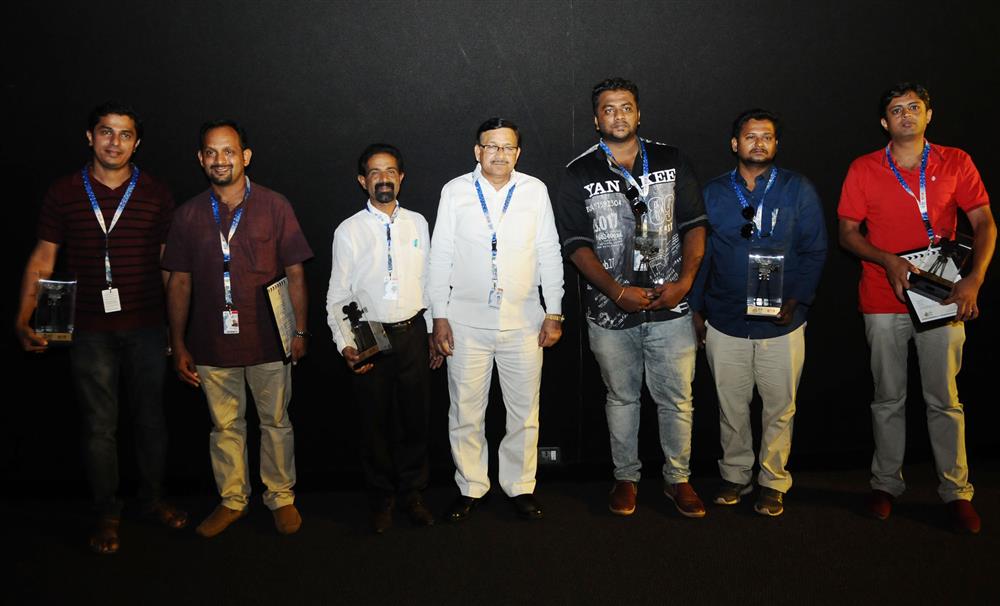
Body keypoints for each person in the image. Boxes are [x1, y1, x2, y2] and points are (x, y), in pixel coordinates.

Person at [14, 101, 187, 555]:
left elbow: (171, 267)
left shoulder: (155, 191)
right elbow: (43, 256)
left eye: (125, 134)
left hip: (148, 326)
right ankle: (107, 511)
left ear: (137, 142)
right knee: (98, 426)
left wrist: (177, 330)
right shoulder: (64, 191)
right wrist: (22, 316)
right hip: (88, 329)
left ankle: (152, 499)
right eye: (106, 132)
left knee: (151, 421)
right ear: (89, 137)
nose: (115, 142)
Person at [838, 82, 996, 534]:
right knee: (887, 397)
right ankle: (886, 484)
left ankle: (956, 491)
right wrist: (886, 259)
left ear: (929, 115)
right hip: (881, 298)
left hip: (942, 296)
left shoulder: (956, 161)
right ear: (884, 122)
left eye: (914, 107)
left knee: (944, 399)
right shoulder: (864, 168)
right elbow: (847, 232)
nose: (906, 114)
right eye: (895, 109)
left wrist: (974, 280)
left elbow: (984, 222)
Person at [555, 77, 708, 518]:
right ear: (595, 118)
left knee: (677, 398)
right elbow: (576, 245)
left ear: (638, 114)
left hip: (671, 306)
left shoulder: (671, 159)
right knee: (621, 398)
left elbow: (696, 224)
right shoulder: (578, 172)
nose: (618, 115)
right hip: (609, 311)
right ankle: (626, 478)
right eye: (608, 108)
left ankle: (678, 479)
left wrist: (684, 284)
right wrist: (617, 291)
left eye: (626, 107)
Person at [164, 119, 313, 538]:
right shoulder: (189, 214)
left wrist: (299, 332)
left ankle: (280, 496)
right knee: (225, 428)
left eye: (228, 151)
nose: (220, 160)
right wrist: (177, 342)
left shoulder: (274, 205)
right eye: (211, 152)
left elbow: (296, 272)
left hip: (269, 340)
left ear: (245, 157)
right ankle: (233, 500)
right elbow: (179, 281)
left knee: (276, 423)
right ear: (200, 159)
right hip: (211, 345)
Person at [689, 109, 827, 517]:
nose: (759, 143)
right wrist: (696, 309)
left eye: (767, 137)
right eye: (750, 137)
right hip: (726, 320)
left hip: (783, 324)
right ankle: (735, 475)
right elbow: (701, 255)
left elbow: (815, 249)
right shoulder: (714, 192)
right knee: (731, 407)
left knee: (780, 408)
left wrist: (798, 299)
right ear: (735, 144)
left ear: (776, 144)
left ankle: (772, 480)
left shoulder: (797, 189)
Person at [428, 118, 564, 521]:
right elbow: (440, 257)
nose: (499, 154)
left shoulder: (534, 191)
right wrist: (439, 317)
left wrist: (554, 312)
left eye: (507, 148)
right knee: (466, 412)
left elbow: (550, 253)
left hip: (524, 322)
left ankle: (519, 485)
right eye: (492, 146)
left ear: (517, 154)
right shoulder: (455, 191)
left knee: (524, 413)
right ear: (478, 151)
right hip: (465, 323)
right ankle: (471, 485)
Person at [326, 143, 443, 533]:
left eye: (390, 170)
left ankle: (413, 494)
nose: (383, 178)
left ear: (401, 177)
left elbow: (429, 283)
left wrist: (430, 335)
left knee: (415, 420)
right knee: (373, 423)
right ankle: (381, 499)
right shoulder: (348, 230)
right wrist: (344, 341)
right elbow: (338, 293)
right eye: (374, 172)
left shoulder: (419, 223)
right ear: (363, 181)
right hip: (368, 333)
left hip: (412, 331)